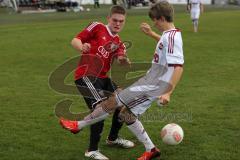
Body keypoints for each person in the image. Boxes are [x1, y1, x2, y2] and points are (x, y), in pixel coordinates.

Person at [60, 1, 184, 160]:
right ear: (108, 18)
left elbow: (179, 67)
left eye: (155, 20)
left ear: (161, 18)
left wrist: (168, 92)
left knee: (116, 102)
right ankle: (150, 149)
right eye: (115, 20)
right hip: (148, 80)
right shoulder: (170, 35)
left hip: (154, 84)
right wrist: (152, 34)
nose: (154, 23)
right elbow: (165, 44)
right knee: (124, 111)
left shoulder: (171, 36)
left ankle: (79, 126)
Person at [69, 5, 134, 160]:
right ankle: (91, 150)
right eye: (115, 20)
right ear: (108, 19)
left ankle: (112, 138)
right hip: (86, 76)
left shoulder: (118, 42)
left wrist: (124, 61)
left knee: (123, 102)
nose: (118, 23)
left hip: (103, 78)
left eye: (121, 21)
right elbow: (75, 40)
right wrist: (82, 47)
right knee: (101, 108)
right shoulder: (97, 27)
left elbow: (120, 58)